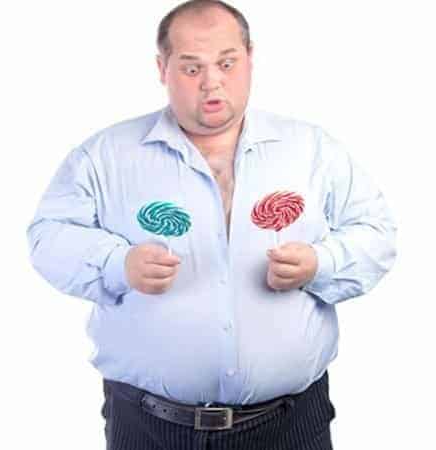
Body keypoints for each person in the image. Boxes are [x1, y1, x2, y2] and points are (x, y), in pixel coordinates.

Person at [26, 0, 397, 449]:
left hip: (291, 424)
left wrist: (322, 262)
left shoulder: (313, 150)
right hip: (148, 428)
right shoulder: (105, 156)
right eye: (191, 68)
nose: (211, 82)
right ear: (162, 68)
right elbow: (48, 238)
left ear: (250, 58)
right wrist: (117, 264)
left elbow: (377, 233)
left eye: (226, 63)